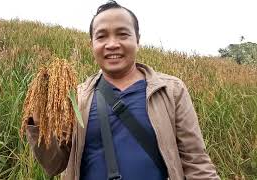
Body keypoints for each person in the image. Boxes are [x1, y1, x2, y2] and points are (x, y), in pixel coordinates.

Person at [26, 1, 220, 179]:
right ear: (92, 44)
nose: (112, 44)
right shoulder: (76, 97)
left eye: (123, 34)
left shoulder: (171, 90)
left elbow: (196, 161)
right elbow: (53, 164)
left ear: (138, 40)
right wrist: (38, 119)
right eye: (101, 36)